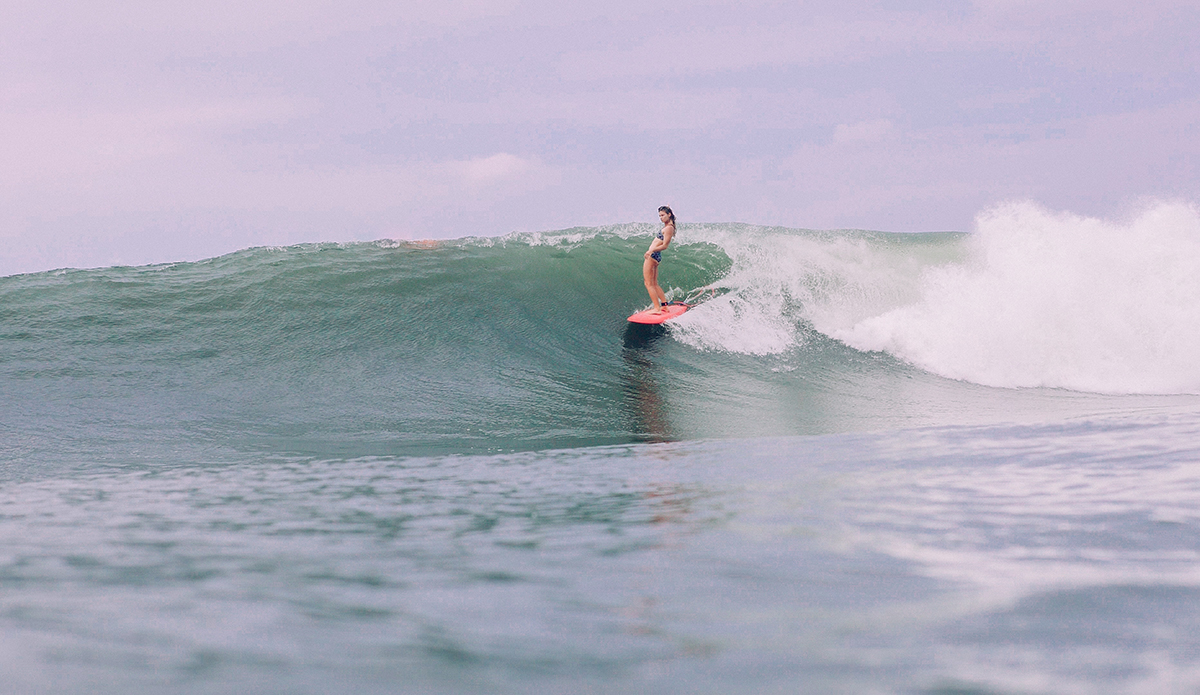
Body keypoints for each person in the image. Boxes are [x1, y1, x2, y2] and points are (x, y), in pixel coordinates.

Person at [643, 206, 676, 313]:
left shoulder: (668, 228)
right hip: (656, 256)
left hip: (653, 256)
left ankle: (657, 308)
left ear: (669, 214)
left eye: (663, 215)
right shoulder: (668, 226)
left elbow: (665, 245)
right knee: (654, 283)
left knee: (648, 284)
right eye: (659, 216)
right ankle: (664, 306)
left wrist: (651, 251)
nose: (660, 218)